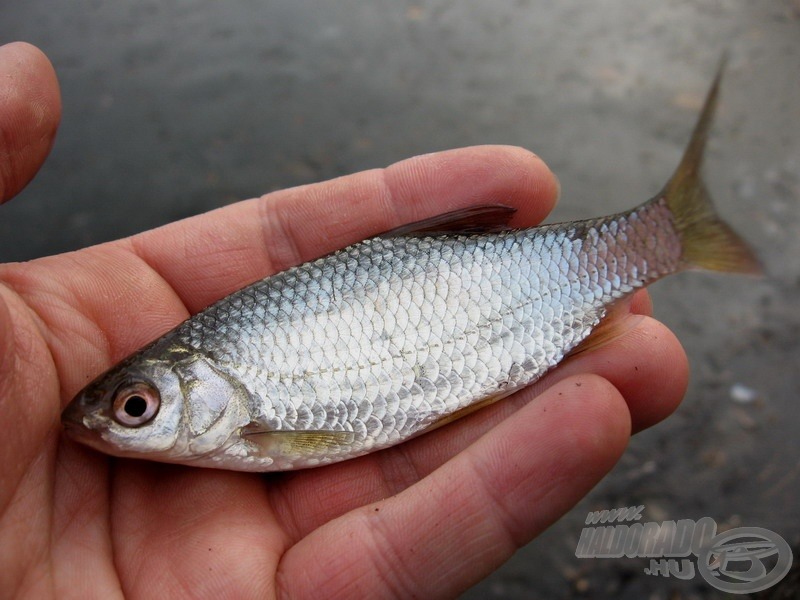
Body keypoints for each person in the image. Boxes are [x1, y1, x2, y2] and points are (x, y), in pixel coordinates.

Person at [0, 41, 687, 598]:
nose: (117, 419)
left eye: (135, 405)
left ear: (195, 382)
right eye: (135, 407)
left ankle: (665, 236)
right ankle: (670, 235)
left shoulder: (249, 427)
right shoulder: (223, 419)